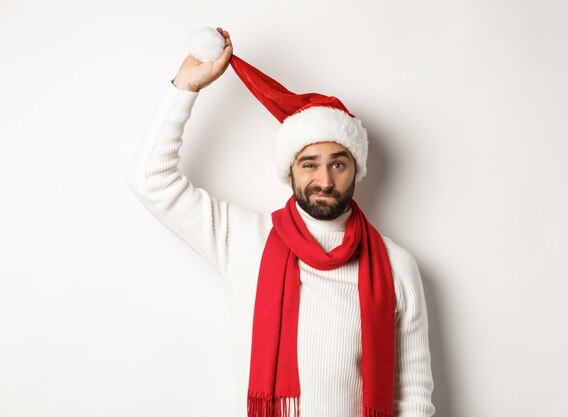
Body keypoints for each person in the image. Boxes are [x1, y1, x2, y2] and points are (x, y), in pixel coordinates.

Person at [126, 27, 436, 417]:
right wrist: (185, 87)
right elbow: (150, 180)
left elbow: (413, 393)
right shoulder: (242, 241)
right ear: (289, 171)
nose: (324, 181)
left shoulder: (395, 264)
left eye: (338, 164)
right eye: (310, 164)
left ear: (356, 169)